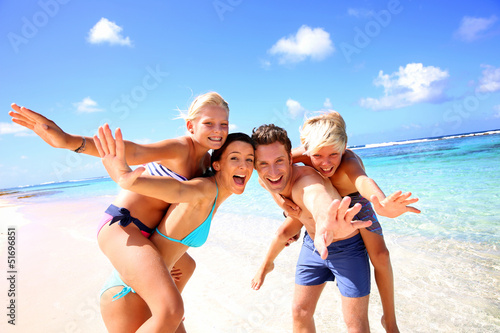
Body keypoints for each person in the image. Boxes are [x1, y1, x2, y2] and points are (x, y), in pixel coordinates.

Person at [9, 92, 229, 332]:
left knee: (187, 266)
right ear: (191, 125)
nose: (217, 130)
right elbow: (132, 152)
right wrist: (67, 140)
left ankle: (160, 312)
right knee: (172, 308)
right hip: (123, 227)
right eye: (208, 123)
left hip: (150, 235)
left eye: (223, 124)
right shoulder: (180, 147)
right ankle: (164, 310)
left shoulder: (208, 163)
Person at [96, 128, 255, 332]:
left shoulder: (216, 196)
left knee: (187, 272)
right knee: (173, 310)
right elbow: (177, 190)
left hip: (149, 296)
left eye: (250, 160)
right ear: (217, 164)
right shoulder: (205, 190)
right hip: (128, 295)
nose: (243, 165)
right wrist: (130, 180)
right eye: (235, 158)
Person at [250, 124, 373, 333]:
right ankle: (266, 264)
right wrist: (281, 201)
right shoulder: (265, 179)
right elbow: (269, 183)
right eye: (263, 164)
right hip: (312, 246)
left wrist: (326, 219)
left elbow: (316, 196)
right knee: (300, 312)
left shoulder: (306, 180)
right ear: (255, 166)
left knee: (355, 324)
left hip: (347, 247)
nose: (272, 172)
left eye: (279, 161)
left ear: (290, 159)